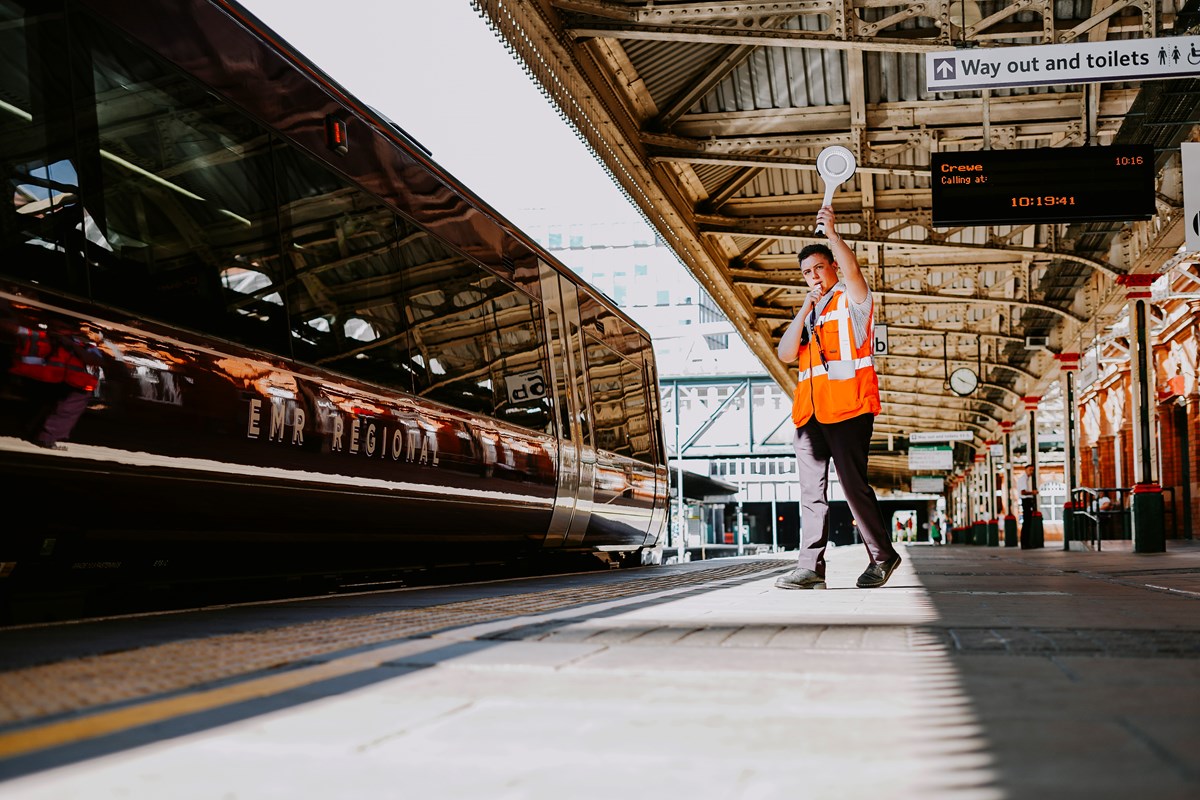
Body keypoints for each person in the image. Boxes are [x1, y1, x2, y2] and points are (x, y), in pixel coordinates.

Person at [774, 204, 901, 590]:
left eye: (819, 268)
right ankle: (810, 567)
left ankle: (882, 556)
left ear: (832, 266)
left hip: (848, 408)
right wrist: (804, 309)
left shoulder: (854, 301)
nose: (813, 276)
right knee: (812, 493)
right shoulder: (811, 311)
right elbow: (785, 353)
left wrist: (833, 235)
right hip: (810, 415)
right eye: (806, 272)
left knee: (851, 485)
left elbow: (855, 272)